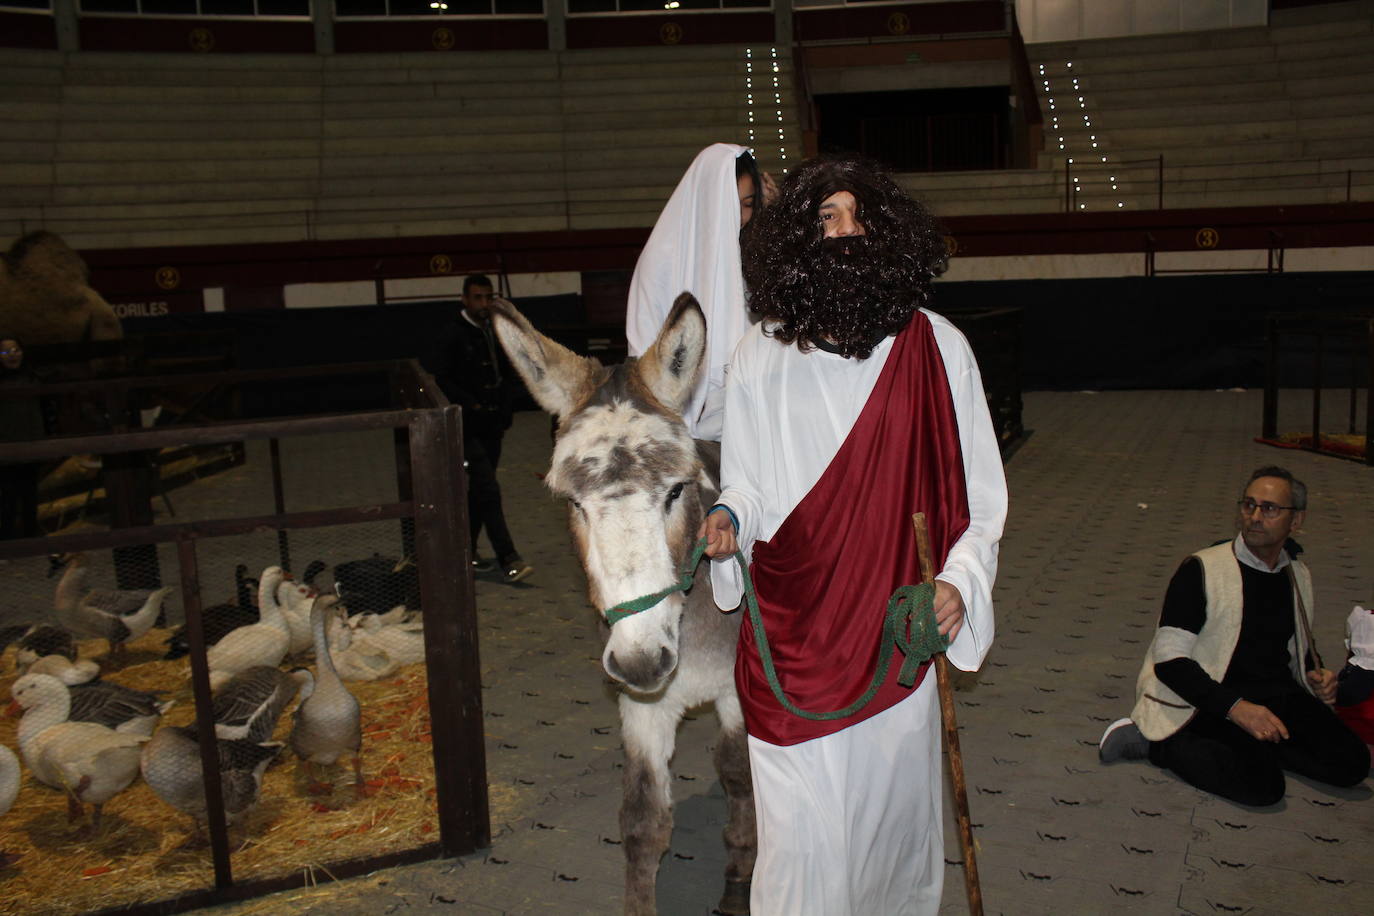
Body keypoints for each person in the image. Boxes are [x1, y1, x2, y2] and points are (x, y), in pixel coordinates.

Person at [698, 155, 1007, 915]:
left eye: (858, 217)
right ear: (795, 245)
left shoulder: (940, 348)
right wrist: (731, 518)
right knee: (800, 851)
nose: (844, 234)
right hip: (792, 643)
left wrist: (958, 583)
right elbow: (749, 484)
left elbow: (982, 501)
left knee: (887, 836)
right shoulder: (758, 356)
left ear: (888, 233)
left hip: (892, 639)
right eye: (825, 220)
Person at [1099, 466, 1370, 805]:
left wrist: (1319, 675)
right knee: (1263, 788)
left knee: (1352, 764)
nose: (1255, 516)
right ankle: (1158, 744)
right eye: (1249, 505)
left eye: (1269, 508)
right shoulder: (1202, 568)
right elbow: (1168, 662)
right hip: (1209, 699)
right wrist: (1237, 709)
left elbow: (1296, 646)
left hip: (1275, 693)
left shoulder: (1297, 573)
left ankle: (1260, 747)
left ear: (1296, 521)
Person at [625, 143, 776, 441]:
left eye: (748, 204)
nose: (741, 216)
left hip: (746, 410)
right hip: (677, 420)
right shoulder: (662, 259)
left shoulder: (750, 248)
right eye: (731, 205)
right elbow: (644, 352)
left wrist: (774, 219)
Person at [428, 276, 533, 583]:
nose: (484, 304)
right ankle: (509, 558)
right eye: (477, 298)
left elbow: (506, 369)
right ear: (464, 299)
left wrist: (505, 404)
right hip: (467, 427)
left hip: (493, 425)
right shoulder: (451, 335)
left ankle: (467, 553)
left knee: (479, 492)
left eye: (488, 297)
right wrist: (470, 405)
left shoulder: (494, 330)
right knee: (487, 488)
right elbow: (442, 379)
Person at [0, 337, 47, 540]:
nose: (12, 355)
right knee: (7, 496)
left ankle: (31, 536)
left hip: (31, 445)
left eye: (16, 349)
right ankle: (8, 539)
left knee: (29, 494)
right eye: (5, 352)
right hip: (6, 449)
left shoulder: (33, 378)